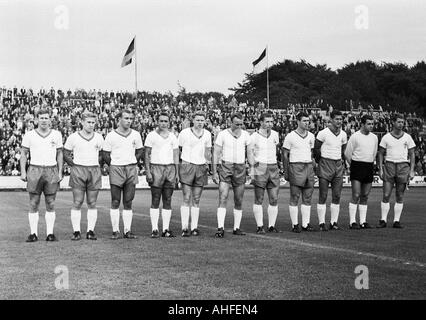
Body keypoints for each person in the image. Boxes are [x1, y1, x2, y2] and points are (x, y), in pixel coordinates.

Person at [20, 108, 63, 242]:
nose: (44, 120)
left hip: (51, 170)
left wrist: (60, 171)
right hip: (35, 169)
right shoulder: (29, 135)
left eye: (46, 118)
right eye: (41, 118)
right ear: (36, 119)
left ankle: (50, 233)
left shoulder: (56, 134)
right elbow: (23, 154)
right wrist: (22, 171)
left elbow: (60, 154)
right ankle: (33, 234)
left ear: (50, 119)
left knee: (51, 202)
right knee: (33, 202)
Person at [103, 109, 143, 240]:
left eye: (130, 119)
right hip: (116, 169)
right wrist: (115, 164)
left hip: (131, 169)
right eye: (126, 118)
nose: (129, 121)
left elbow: (139, 150)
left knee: (128, 201)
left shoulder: (136, 134)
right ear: (119, 119)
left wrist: (132, 161)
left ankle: (127, 230)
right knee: (115, 200)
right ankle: (115, 231)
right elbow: (105, 155)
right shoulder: (111, 135)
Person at [63, 112, 104, 240]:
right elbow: (65, 153)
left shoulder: (99, 137)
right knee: (77, 201)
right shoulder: (73, 137)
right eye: (88, 122)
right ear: (82, 122)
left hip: (94, 170)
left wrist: (98, 164)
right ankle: (76, 231)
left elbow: (103, 154)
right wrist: (73, 165)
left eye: (93, 122)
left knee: (92, 202)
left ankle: (90, 231)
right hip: (78, 170)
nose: (91, 125)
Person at [212, 112, 251, 237]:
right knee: (223, 196)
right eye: (236, 124)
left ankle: (236, 228)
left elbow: (249, 152)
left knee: (238, 199)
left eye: (241, 124)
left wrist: (252, 166)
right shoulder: (223, 134)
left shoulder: (246, 135)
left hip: (240, 167)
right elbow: (216, 153)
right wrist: (214, 171)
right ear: (230, 122)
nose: (239, 126)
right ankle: (220, 228)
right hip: (226, 166)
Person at [377, 114, 416, 229]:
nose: (401, 124)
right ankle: (383, 220)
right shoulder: (386, 137)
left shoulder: (407, 137)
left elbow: (412, 154)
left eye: (402, 122)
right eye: (399, 122)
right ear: (393, 122)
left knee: (400, 194)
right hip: (389, 165)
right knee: (386, 194)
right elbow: (380, 153)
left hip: (403, 166)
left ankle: (396, 221)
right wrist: (380, 168)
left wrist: (412, 170)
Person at [145, 112, 179, 238]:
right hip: (156, 168)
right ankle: (154, 229)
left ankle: (166, 229)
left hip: (170, 168)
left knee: (168, 199)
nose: (164, 123)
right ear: (157, 122)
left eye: (166, 121)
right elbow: (146, 154)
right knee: (155, 198)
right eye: (161, 121)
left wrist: (177, 173)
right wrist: (148, 171)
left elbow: (176, 155)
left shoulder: (173, 137)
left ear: (169, 122)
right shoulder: (151, 136)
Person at [178, 111, 212, 237]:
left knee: (196, 199)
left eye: (202, 120)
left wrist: (208, 162)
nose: (200, 122)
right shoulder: (184, 133)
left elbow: (208, 152)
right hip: (187, 165)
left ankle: (194, 228)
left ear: (205, 121)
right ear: (193, 120)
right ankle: (184, 227)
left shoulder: (208, 134)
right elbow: (179, 148)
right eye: (197, 120)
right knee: (186, 197)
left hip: (201, 167)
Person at [248, 112, 282, 234]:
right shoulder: (253, 137)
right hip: (260, 167)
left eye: (271, 122)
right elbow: (250, 154)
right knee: (259, 198)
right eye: (267, 121)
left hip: (273, 166)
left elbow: (277, 151)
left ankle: (272, 226)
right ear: (261, 122)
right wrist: (253, 166)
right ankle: (260, 226)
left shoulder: (275, 135)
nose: (269, 124)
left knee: (274, 198)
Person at [313, 110, 347, 231]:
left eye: (340, 119)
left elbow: (343, 150)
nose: (339, 121)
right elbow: (316, 149)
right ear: (331, 120)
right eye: (337, 119)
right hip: (325, 163)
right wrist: (319, 162)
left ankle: (334, 222)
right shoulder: (323, 133)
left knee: (337, 195)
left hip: (338, 164)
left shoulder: (343, 134)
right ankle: (321, 223)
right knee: (323, 194)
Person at [283, 112, 316, 233]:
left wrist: (312, 165)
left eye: (308, 121)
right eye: (304, 121)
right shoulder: (290, 136)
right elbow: (285, 154)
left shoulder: (311, 136)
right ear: (298, 121)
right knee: (295, 196)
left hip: (308, 166)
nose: (307, 123)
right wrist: (286, 171)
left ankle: (306, 224)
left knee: (307, 197)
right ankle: (295, 224)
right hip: (296, 166)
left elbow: (311, 153)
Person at [344, 114, 378, 229]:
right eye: (369, 124)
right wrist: (353, 166)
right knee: (356, 194)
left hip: (368, 166)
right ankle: (352, 222)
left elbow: (374, 153)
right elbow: (347, 153)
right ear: (362, 124)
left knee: (365, 195)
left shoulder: (374, 137)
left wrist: (370, 162)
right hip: (357, 166)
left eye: (372, 124)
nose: (371, 126)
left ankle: (363, 222)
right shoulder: (355, 137)